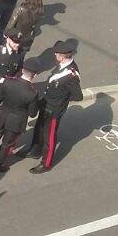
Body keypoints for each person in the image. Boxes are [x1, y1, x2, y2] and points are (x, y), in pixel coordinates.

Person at [28, 40, 84, 173]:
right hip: (46, 101)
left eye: (56, 54)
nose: (55, 56)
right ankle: (35, 149)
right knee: (39, 127)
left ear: (62, 56)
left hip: (55, 109)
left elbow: (78, 96)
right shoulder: (61, 66)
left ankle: (46, 163)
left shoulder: (71, 74)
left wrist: (61, 100)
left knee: (49, 136)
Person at [0, 63, 39, 173]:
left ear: (23, 70)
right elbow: (33, 113)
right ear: (35, 75)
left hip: (3, 114)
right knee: (7, 144)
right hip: (17, 120)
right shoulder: (32, 93)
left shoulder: (8, 82)